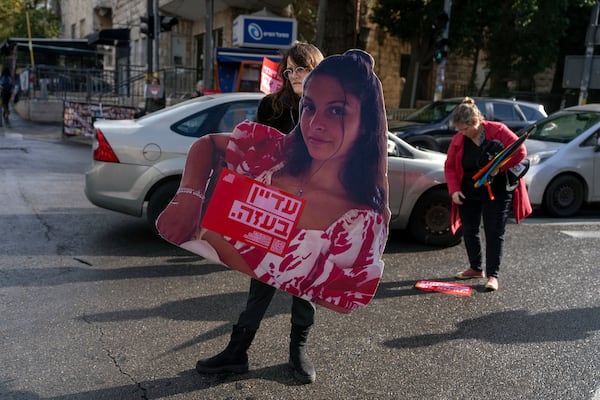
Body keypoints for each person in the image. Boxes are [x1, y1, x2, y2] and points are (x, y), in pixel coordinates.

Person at [156, 49, 390, 384]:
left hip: (309, 223)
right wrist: (192, 198)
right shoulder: (274, 105)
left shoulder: (357, 207)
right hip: (270, 214)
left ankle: (297, 352)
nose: (295, 74)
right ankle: (237, 351)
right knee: (259, 289)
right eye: (290, 69)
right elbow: (249, 153)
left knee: (305, 292)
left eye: (303, 68)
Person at [444, 97, 532, 291]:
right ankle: (475, 267)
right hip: (469, 191)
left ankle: (493, 275)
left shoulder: (498, 131)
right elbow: (450, 166)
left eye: (464, 129)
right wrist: (454, 190)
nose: (461, 134)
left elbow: (520, 151)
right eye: (459, 130)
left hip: (497, 192)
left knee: (494, 232)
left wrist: (499, 168)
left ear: (476, 122)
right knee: (469, 230)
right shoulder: (459, 139)